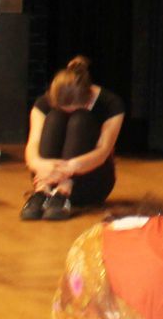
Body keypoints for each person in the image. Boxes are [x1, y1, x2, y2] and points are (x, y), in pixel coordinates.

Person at [22, 56, 125, 221]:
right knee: (55, 117)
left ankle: (64, 191)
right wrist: (41, 165)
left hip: (89, 177)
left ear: (88, 99)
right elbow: (33, 145)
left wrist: (70, 168)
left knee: (80, 119)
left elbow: (103, 151)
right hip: (47, 176)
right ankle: (43, 191)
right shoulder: (43, 103)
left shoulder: (110, 103)